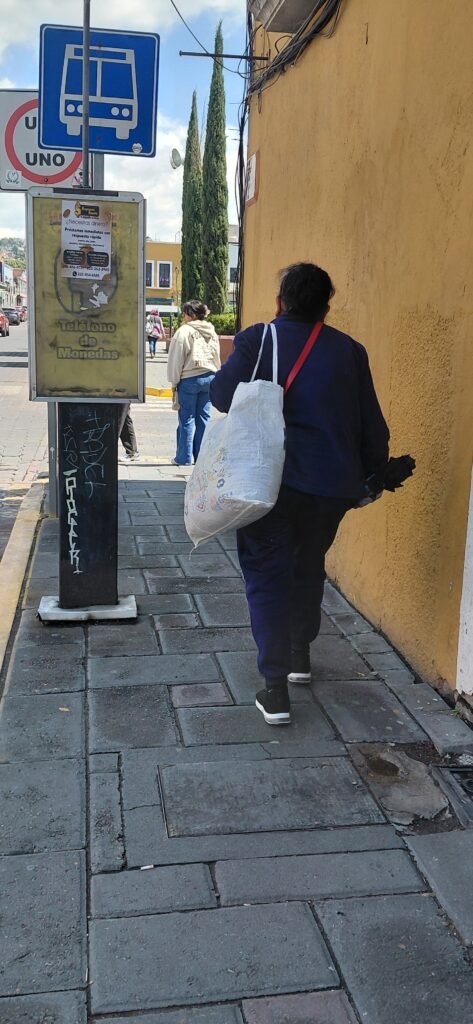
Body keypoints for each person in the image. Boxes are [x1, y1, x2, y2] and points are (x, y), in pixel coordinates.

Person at [210, 262, 389, 726]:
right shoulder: (350, 351)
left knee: (266, 575)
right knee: (308, 566)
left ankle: (275, 689)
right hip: (330, 488)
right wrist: (373, 476)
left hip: (269, 485)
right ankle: (300, 657)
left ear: (280, 301)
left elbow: (221, 397)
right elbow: (371, 423)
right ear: (326, 307)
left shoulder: (259, 339)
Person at [167, 300, 221, 466]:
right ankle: (201, 457)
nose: (183, 316)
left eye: (184, 313)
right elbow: (217, 355)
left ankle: (184, 457)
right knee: (204, 418)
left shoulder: (184, 332)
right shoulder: (211, 331)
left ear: (190, 314)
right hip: (210, 376)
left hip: (189, 378)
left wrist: (174, 381)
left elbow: (176, 359)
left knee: (187, 419)